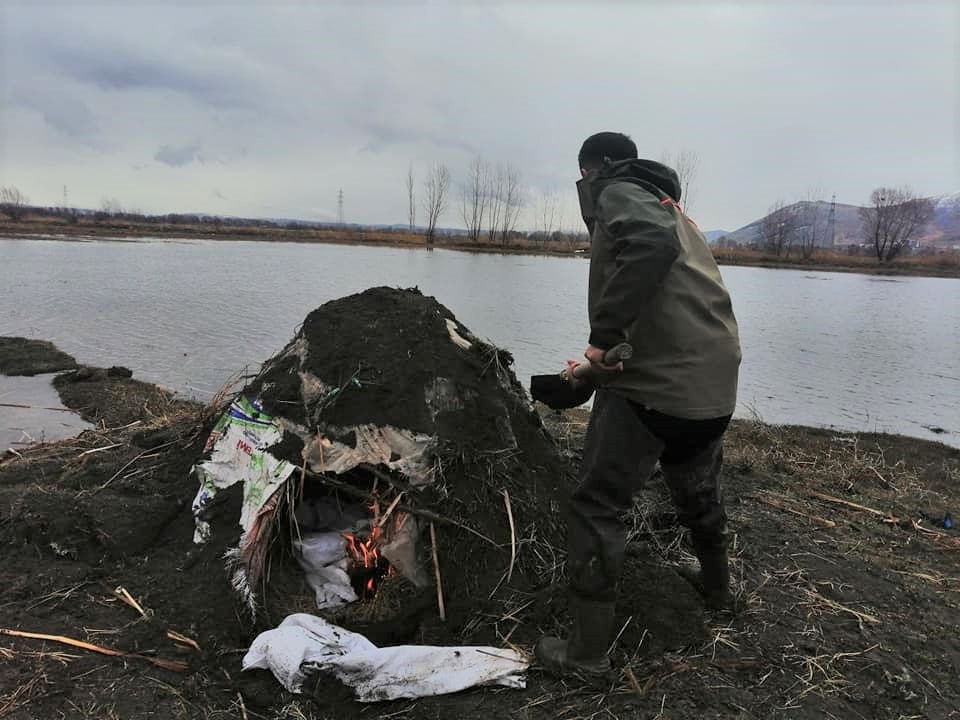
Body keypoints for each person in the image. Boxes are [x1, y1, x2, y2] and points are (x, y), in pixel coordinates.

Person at [535, 132, 742, 677]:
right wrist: (581, 377)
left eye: (583, 178)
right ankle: (720, 593)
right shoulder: (679, 215)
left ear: (593, 170)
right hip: (714, 392)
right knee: (696, 492)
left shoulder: (618, 191)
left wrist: (602, 332)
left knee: (597, 507)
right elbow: (663, 323)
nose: (583, 190)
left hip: (657, 391)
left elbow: (648, 246)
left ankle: (585, 655)